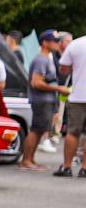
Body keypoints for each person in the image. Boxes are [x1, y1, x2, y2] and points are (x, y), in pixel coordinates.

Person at [27, 30, 68, 171]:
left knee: (39, 131)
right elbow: (36, 82)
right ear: (45, 42)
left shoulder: (46, 58)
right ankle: (26, 161)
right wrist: (59, 88)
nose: (58, 44)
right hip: (41, 100)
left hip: (45, 100)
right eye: (55, 41)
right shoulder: (41, 60)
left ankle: (31, 160)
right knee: (36, 130)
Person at [57, 30, 86, 177]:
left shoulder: (76, 44)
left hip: (78, 96)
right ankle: (85, 168)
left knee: (73, 132)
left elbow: (63, 69)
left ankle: (67, 167)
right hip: (77, 96)